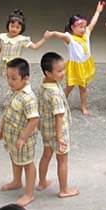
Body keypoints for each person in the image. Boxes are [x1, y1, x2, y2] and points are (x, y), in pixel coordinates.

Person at [44, 1, 105, 115]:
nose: (83, 29)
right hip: (75, 66)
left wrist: (98, 11)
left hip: (85, 65)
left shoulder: (86, 33)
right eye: (80, 27)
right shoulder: (69, 38)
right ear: (72, 27)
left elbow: (93, 23)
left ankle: (84, 106)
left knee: (83, 88)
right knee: (69, 86)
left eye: (84, 26)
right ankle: (60, 102)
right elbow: (60, 35)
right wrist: (52, 33)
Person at [0, 58, 39, 207]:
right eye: (8, 77)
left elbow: (34, 120)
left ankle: (29, 193)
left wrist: (23, 137)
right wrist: (1, 129)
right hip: (11, 136)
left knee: (27, 164)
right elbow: (7, 112)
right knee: (14, 158)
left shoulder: (29, 98)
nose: (10, 81)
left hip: (24, 139)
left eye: (14, 78)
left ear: (25, 78)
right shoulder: (13, 92)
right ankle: (16, 181)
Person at [36, 52, 79, 198]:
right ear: (48, 72)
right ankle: (64, 189)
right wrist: (60, 137)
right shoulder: (55, 94)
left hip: (46, 129)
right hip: (58, 131)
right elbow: (59, 116)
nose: (63, 73)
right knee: (62, 160)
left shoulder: (44, 84)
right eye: (59, 71)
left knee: (46, 154)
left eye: (63, 69)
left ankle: (42, 182)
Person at [0, 10, 48, 79]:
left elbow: (35, 47)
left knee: (15, 80)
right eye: (12, 26)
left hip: (15, 65)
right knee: (8, 80)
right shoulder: (2, 37)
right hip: (4, 64)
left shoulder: (22, 40)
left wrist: (44, 39)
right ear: (8, 25)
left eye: (17, 27)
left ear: (21, 29)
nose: (14, 29)